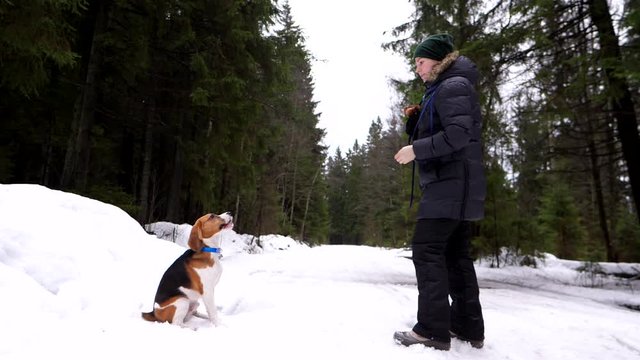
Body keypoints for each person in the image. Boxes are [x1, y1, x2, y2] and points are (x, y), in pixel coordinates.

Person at [392, 33, 486, 351]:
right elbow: (450, 128)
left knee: (427, 250)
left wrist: (415, 149)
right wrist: (418, 118)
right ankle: (467, 325)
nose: (417, 68)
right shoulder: (447, 87)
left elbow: (458, 135)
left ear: (438, 60)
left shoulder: (452, 85)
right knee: (456, 256)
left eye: (420, 61)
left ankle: (432, 329)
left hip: (450, 184)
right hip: (457, 184)